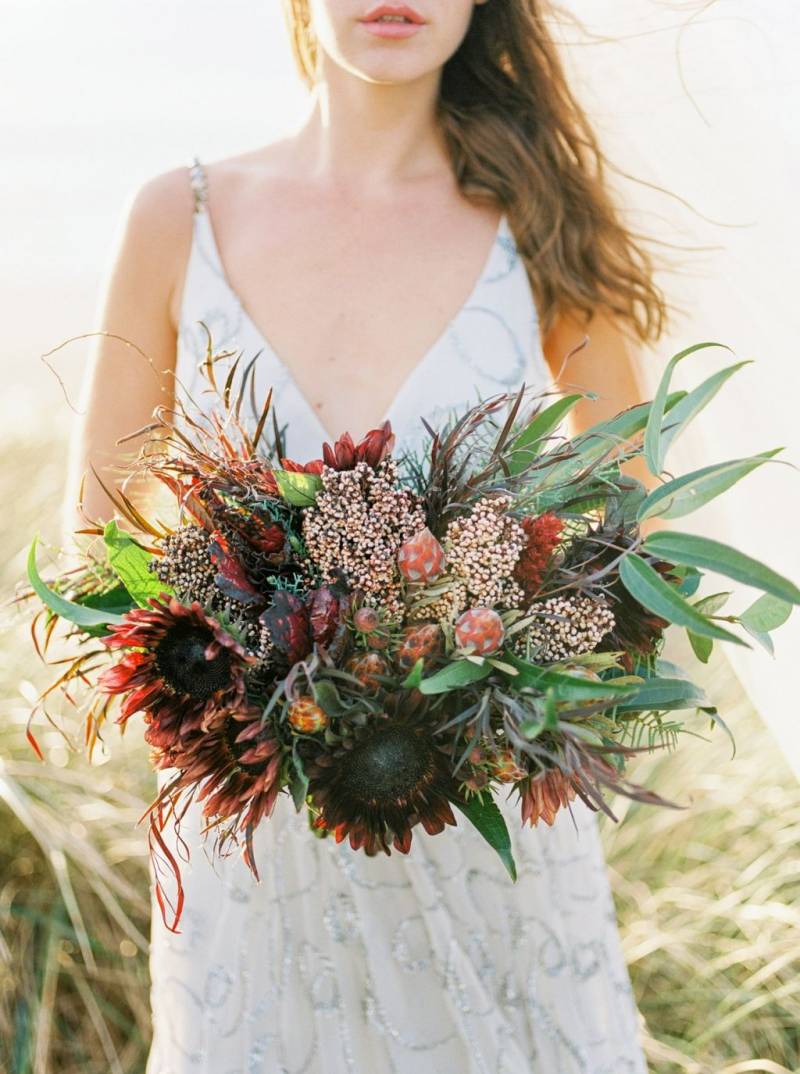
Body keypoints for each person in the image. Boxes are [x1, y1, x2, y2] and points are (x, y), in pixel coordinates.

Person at [65, 2, 672, 1070]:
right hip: (252, 843)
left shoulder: (539, 219)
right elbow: (99, 534)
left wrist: (492, 659)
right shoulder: (181, 214)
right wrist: (251, 694)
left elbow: (634, 534)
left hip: (490, 840)